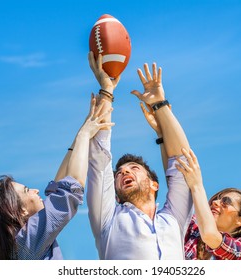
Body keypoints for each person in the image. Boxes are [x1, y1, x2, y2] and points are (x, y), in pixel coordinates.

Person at [0, 95, 114, 259]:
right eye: (27, 190)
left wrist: (81, 134)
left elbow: (58, 187)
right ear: (19, 210)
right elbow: (71, 189)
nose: (35, 190)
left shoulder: (15, 249)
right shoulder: (26, 243)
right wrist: (84, 134)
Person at [86, 51, 193, 259]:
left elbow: (183, 162)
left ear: (155, 184)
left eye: (134, 168)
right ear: (115, 193)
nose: (124, 171)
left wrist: (160, 104)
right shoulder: (108, 220)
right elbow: (99, 157)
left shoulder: (174, 220)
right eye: (119, 173)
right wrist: (107, 91)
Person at [176, 148, 241, 260]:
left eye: (226, 202)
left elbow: (210, 235)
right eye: (216, 199)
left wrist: (197, 185)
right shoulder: (193, 227)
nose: (215, 202)